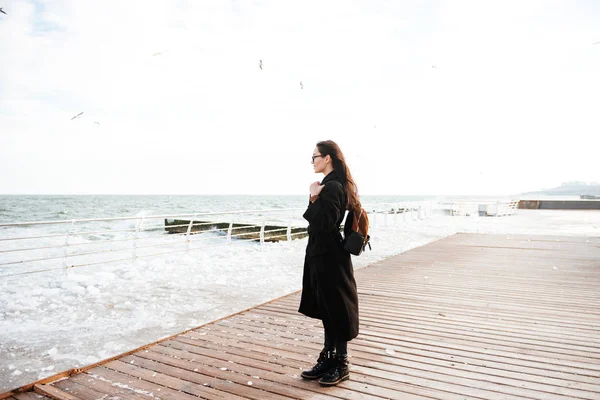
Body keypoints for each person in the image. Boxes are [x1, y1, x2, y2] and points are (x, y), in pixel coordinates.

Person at [299, 140, 360, 386]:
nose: (312, 161)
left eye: (314, 157)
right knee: (327, 308)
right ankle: (329, 358)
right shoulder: (330, 184)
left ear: (327, 158)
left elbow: (325, 224)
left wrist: (314, 198)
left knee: (336, 308)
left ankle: (341, 363)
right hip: (322, 254)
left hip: (330, 256)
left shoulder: (333, 186)